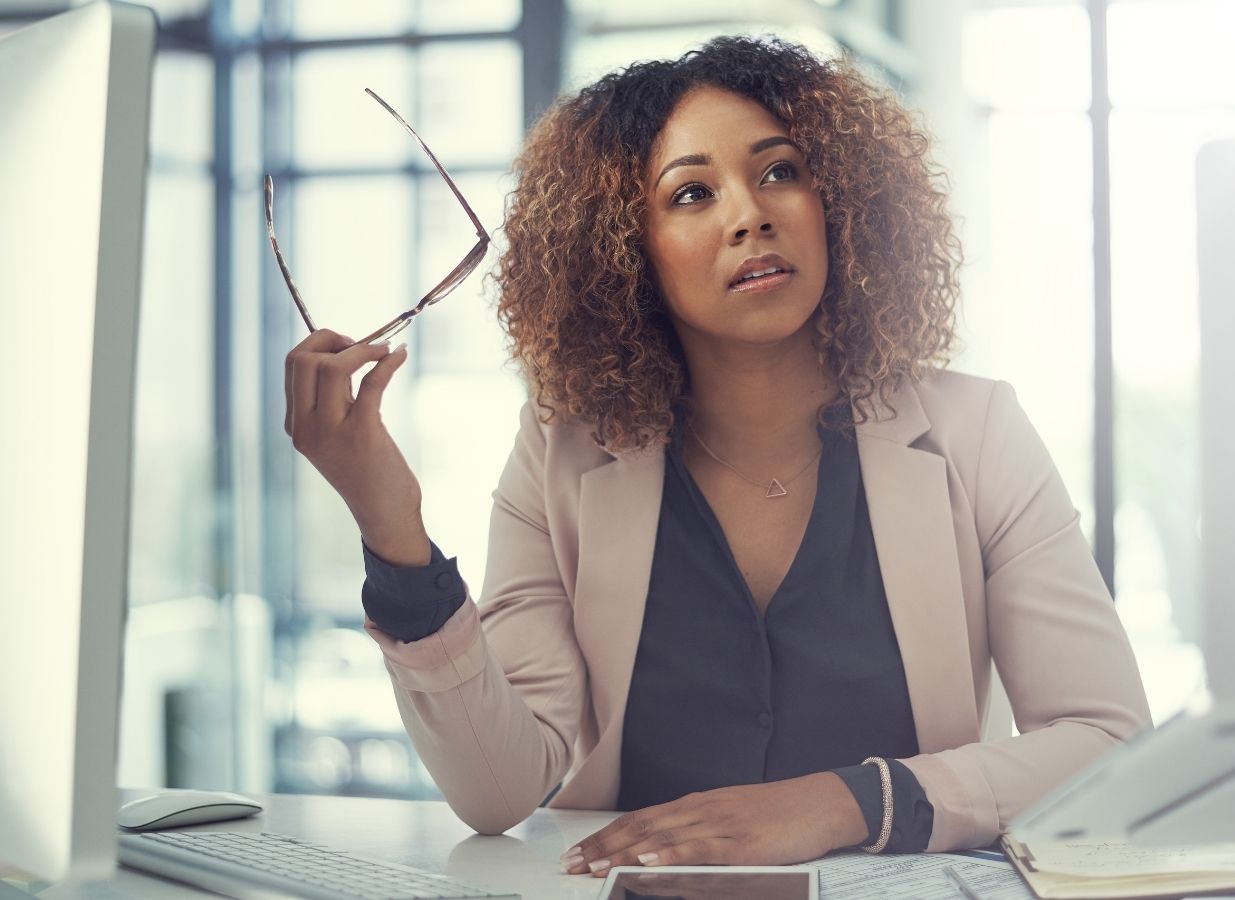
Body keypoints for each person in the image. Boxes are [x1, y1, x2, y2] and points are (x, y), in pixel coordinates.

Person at [283, 36, 1150, 875]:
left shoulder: (978, 431)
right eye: (691, 194)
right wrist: (391, 527)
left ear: (840, 200)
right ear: (623, 251)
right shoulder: (561, 450)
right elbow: (499, 788)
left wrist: (845, 802)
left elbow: (1107, 740)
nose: (751, 213)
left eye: (781, 171)